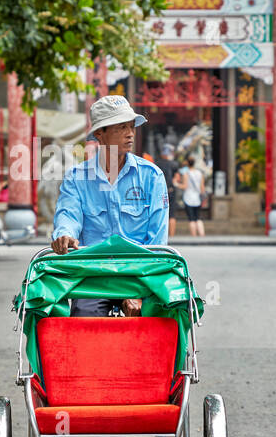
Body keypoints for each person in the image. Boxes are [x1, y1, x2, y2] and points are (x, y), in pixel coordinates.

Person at [51, 94, 169, 315]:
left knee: (158, 328)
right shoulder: (77, 178)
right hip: (94, 277)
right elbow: (68, 214)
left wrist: (142, 292)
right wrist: (65, 235)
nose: (130, 133)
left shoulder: (151, 176)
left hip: (142, 276)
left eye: (131, 126)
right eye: (120, 127)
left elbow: (158, 241)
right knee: (83, 326)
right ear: (99, 134)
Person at [173, 155, 206, 237]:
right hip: (197, 198)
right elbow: (202, 188)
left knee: (191, 219)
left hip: (188, 198)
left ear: (187, 163)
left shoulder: (186, 174)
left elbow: (185, 186)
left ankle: (194, 236)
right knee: (198, 218)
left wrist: (176, 184)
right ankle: (202, 235)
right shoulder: (199, 173)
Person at [155, 144, 179, 237]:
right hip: (171, 190)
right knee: (172, 214)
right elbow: (176, 178)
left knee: (160, 212)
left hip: (160, 190)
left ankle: (162, 235)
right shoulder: (174, 164)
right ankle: (171, 236)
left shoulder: (157, 164)